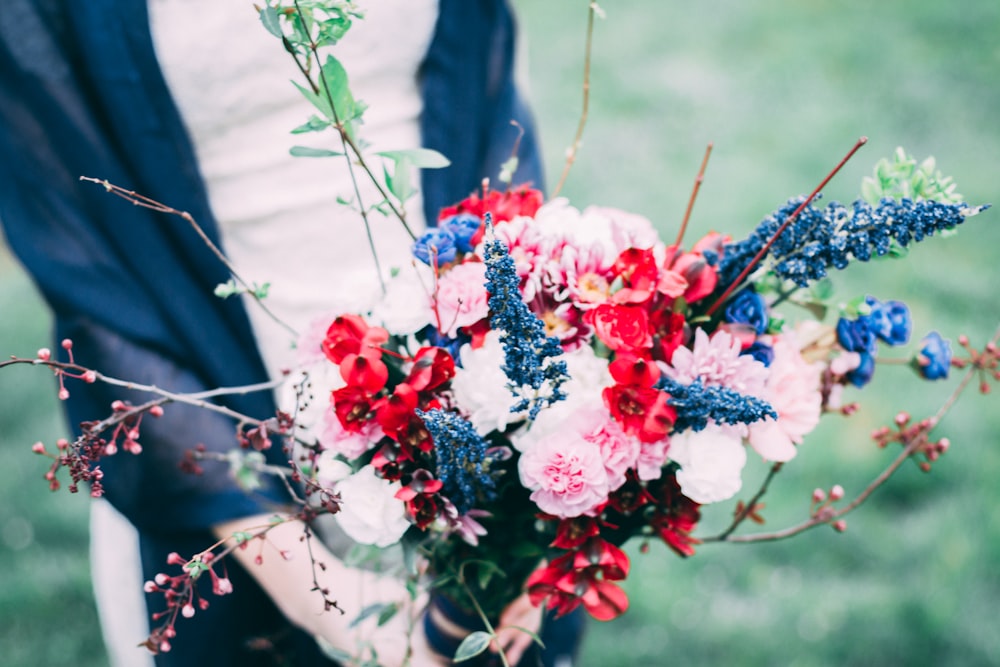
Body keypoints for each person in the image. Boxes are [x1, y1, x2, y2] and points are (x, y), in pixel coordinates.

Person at [0, 1, 581, 665]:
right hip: (225, 406)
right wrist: (315, 589)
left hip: (465, 393)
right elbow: (92, 268)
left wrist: (535, 484)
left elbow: (494, 122)